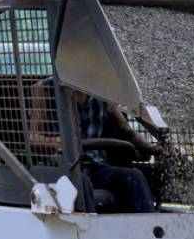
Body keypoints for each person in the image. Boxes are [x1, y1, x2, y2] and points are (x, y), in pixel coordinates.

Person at [29, 77, 162, 213]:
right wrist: (53, 142)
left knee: (134, 176)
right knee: (81, 182)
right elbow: (32, 137)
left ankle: (147, 228)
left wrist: (153, 148)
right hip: (62, 168)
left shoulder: (102, 91)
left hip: (94, 166)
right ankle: (90, 230)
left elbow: (127, 131)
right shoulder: (44, 90)